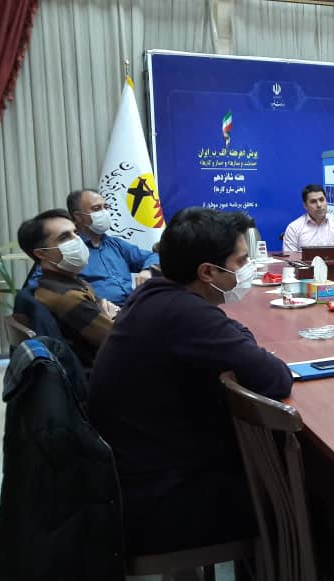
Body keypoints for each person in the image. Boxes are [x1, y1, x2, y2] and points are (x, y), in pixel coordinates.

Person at [87, 207, 293, 555]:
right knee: (311, 495)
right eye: (241, 261)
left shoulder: (155, 294)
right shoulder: (184, 313)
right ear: (207, 271)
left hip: (133, 476)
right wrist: (240, 340)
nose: (248, 269)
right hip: (158, 502)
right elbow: (275, 378)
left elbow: (235, 332)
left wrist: (237, 337)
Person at [16, 209, 116, 367]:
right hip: (104, 371)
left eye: (75, 232)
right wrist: (110, 315)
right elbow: (119, 339)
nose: (77, 240)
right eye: (64, 237)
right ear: (42, 254)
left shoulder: (58, 283)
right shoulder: (67, 296)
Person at [26, 188, 159, 305]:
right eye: (96, 209)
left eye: (105, 207)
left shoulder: (115, 244)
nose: (104, 212)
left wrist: (147, 270)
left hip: (132, 308)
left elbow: (154, 256)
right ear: (78, 217)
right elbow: (38, 288)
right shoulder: (70, 251)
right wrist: (93, 303)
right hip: (99, 314)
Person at [282, 184, 334, 251]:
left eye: (321, 200)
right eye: (313, 201)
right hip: (305, 267)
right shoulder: (294, 228)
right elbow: (289, 258)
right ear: (305, 205)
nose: (319, 205)